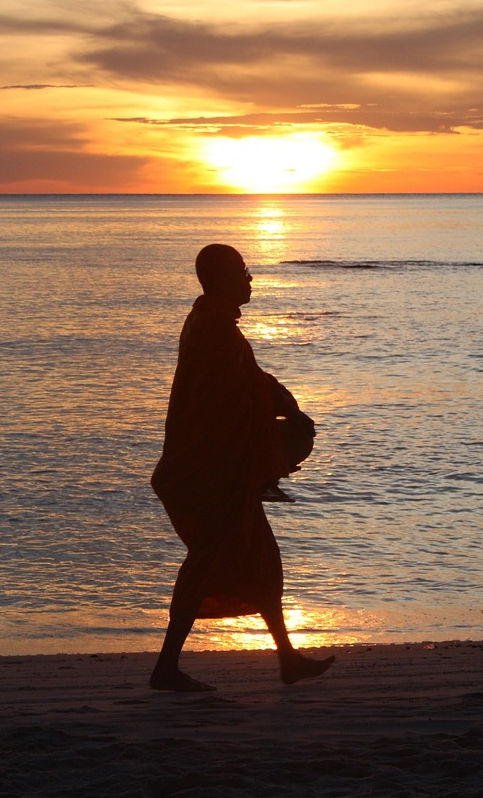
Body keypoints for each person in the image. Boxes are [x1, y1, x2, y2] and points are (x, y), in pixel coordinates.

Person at [149, 244, 334, 692]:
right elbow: (227, 399)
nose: (250, 280)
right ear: (221, 279)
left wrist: (283, 404)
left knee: (262, 562)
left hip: (221, 470)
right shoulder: (212, 327)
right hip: (210, 472)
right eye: (242, 273)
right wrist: (284, 414)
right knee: (205, 565)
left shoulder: (213, 323)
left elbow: (247, 384)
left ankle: (287, 659)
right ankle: (166, 669)